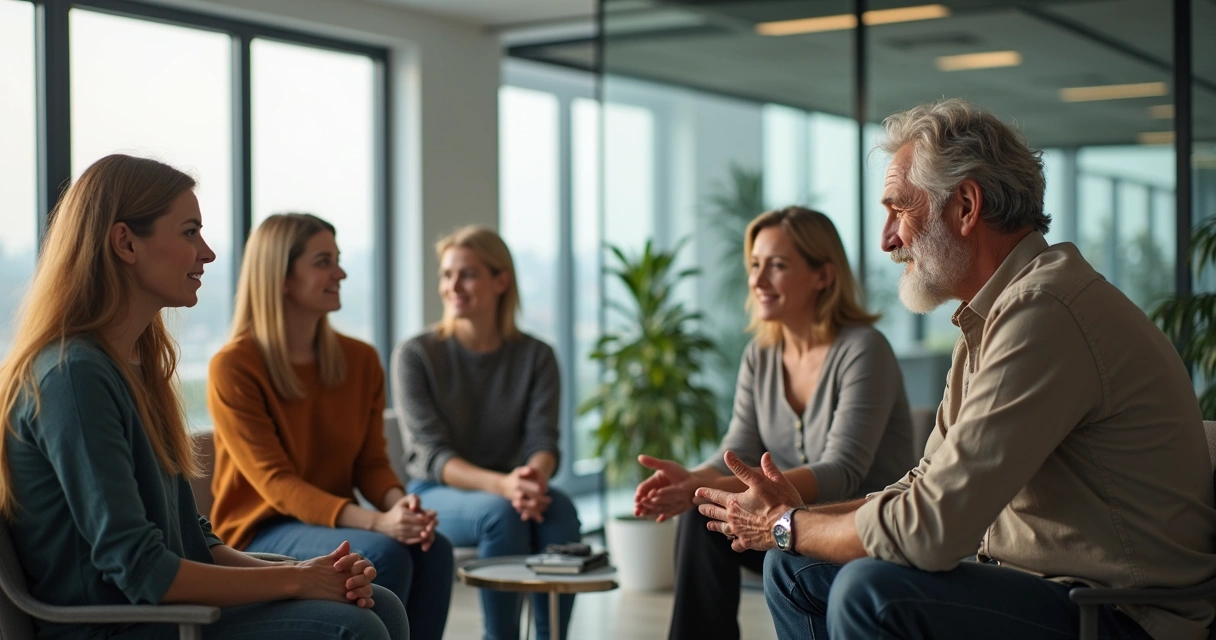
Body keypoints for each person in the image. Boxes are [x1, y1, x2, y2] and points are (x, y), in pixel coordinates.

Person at [698, 99, 1216, 640]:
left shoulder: (1046, 312)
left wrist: (787, 525)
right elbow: (926, 485)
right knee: (795, 568)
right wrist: (800, 516)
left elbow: (933, 529)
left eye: (900, 208)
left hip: (1117, 615)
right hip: (1043, 590)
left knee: (868, 591)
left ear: (966, 206)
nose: (887, 239)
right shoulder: (991, 320)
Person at [0, 154, 408, 640]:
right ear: (126, 242)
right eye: (190, 232)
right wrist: (297, 579)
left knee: (381, 603)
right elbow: (143, 570)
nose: (208, 253)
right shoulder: (73, 376)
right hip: (119, 625)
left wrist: (314, 573)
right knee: (356, 625)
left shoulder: (135, 367)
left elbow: (194, 541)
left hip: (167, 610)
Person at [631, 206, 915, 640]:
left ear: (823, 275)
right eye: (755, 265)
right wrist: (694, 480)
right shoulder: (761, 355)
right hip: (787, 522)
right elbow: (738, 450)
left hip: (855, 532)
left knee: (709, 507)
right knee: (700, 518)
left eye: (777, 266)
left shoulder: (863, 350)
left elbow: (843, 471)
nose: (757, 281)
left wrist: (713, 489)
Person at [207, 213, 452, 640]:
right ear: (280, 277)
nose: (340, 272)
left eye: (337, 260)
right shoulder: (234, 366)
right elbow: (278, 483)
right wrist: (378, 523)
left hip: (333, 524)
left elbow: (371, 463)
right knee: (381, 551)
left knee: (433, 550)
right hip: (259, 530)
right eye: (323, 262)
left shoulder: (359, 360)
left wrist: (400, 507)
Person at [390, 225, 580, 640]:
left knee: (560, 511)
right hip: (438, 489)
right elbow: (432, 455)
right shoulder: (417, 354)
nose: (452, 286)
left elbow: (543, 441)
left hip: (514, 487)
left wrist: (531, 478)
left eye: (467, 274)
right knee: (500, 515)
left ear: (501, 280)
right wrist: (507, 486)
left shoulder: (536, 356)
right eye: (446, 274)